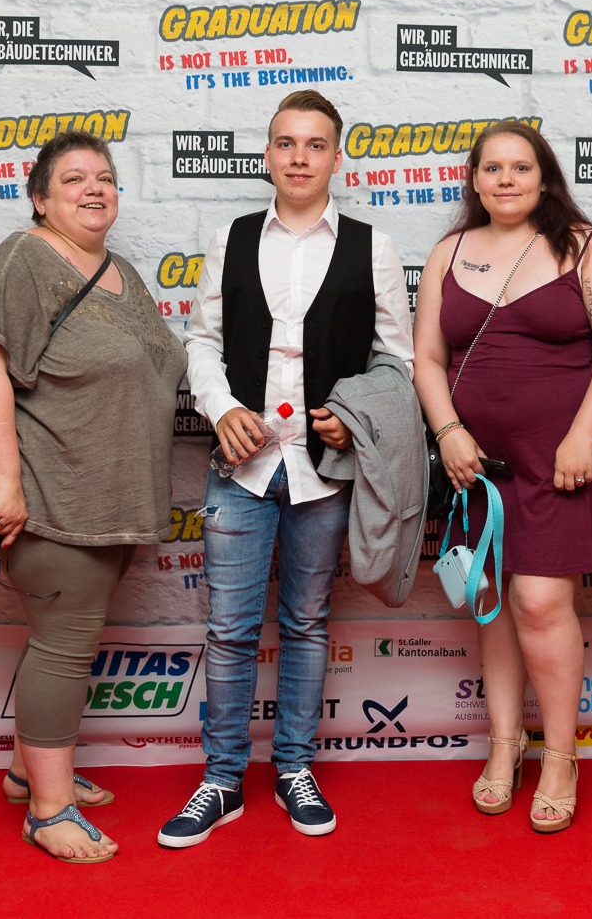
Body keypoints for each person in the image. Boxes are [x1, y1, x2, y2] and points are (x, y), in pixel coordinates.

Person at [158, 90, 413, 848]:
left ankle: (294, 767)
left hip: (323, 469)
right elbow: (202, 341)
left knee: (306, 623)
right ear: (268, 154)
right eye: (286, 143)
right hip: (240, 466)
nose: (300, 157)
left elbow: (395, 364)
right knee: (230, 628)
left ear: (337, 157)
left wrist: (354, 416)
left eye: (315, 144)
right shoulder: (231, 237)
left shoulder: (374, 246)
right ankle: (222, 779)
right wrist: (220, 408)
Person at [0, 130, 187, 862]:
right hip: (51, 495)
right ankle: (48, 812)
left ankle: (28, 773)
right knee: (64, 645)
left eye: (105, 177)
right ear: (40, 198)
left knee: (62, 639)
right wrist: (8, 485)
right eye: (74, 178)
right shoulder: (20, 260)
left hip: (105, 499)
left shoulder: (118, 270)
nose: (94, 188)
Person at [413, 121, 592, 833]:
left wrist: (583, 436)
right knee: (491, 604)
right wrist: (449, 431)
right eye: (493, 168)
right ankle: (504, 745)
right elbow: (427, 359)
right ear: (474, 180)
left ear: (544, 179)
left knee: (540, 603)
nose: (506, 179)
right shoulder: (449, 250)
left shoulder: (584, 246)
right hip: (476, 464)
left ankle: (561, 758)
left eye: (521, 167)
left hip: (560, 460)